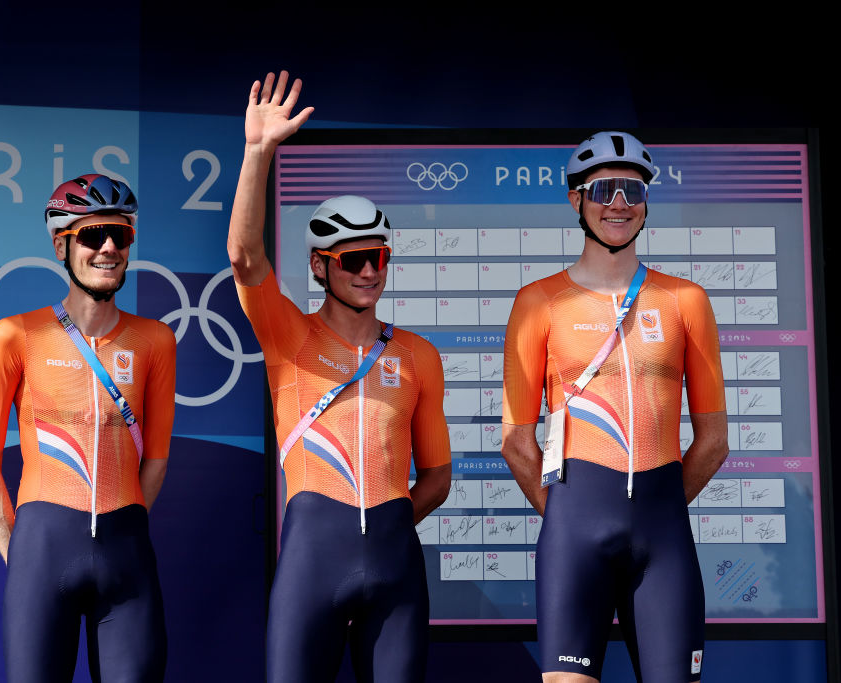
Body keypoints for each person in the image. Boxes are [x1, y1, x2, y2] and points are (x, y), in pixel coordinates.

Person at [227, 71, 452, 683]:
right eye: (353, 259)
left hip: (395, 565)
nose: (369, 271)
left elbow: (436, 478)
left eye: (378, 257)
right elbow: (246, 259)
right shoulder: (288, 335)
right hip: (311, 563)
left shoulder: (418, 354)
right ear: (320, 267)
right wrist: (257, 152)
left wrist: (384, 521)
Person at [501, 132, 729, 683]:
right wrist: (565, 514)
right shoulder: (538, 302)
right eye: (603, 189)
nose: (618, 204)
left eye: (632, 190)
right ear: (576, 200)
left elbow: (714, 440)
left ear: (647, 201)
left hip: (663, 536)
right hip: (575, 531)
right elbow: (516, 439)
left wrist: (659, 502)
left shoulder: (686, 300)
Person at [0, 173, 176, 682]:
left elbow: (156, 459)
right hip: (41, 550)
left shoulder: (155, 341)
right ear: (62, 245)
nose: (108, 247)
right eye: (91, 235)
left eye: (120, 235)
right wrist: (20, 552)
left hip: (125, 551)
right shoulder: (16, 335)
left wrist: (118, 522)